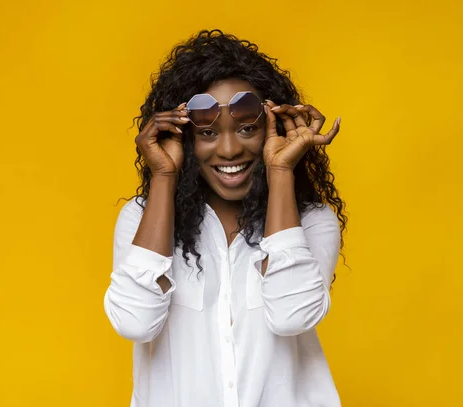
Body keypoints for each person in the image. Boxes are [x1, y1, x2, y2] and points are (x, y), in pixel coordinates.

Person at [104, 29, 347, 407]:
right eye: (207, 132)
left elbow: (291, 316)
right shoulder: (139, 219)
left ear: (273, 128)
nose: (230, 149)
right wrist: (164, 176)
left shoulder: (312, 222)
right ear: (183, 137)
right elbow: (134, 322)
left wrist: (280, 169)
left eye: (248, 128)